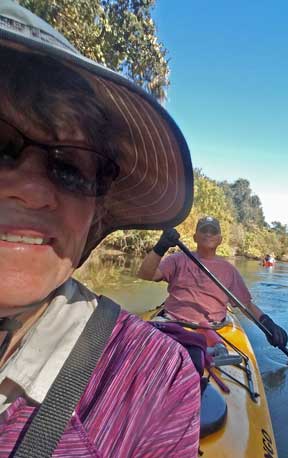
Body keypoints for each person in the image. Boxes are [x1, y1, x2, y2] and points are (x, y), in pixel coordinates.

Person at [0, 2, 200, 456]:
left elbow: (238, 301)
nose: (33, 191)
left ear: (95, 215)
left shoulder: (157, 376)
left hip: (202, 328)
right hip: (174, 318)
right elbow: (148, 276)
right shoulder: (173, 259)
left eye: (70, 167)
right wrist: (160, 247)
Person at [138, 216, 288, 348]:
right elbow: (146, 274)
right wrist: (161, 246)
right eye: (204, 230)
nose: (208, 234)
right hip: (171, 321)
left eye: (213, 231)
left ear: (220, 239)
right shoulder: (177, 259)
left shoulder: (229, 270)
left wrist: (268, 323)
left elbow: (246, 305)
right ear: (195, 237)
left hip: (213, 328)